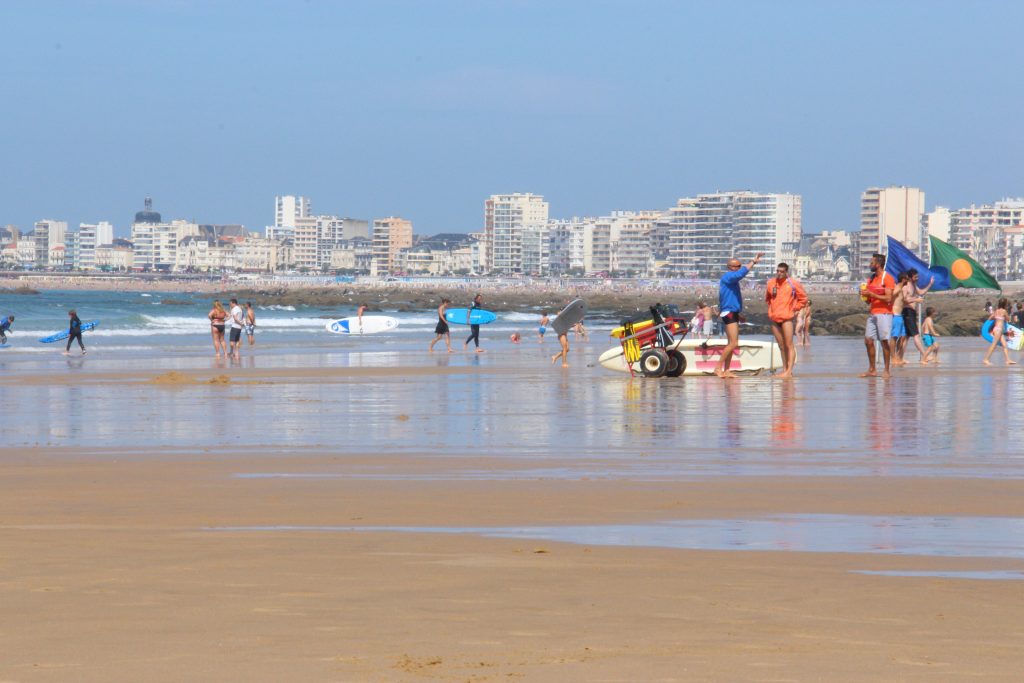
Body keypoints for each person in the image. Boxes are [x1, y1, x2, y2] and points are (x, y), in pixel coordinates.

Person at [714, 252, 763, 378]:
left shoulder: (732, 280)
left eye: (739, 266)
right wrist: (753, 262)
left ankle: (727, 370)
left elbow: (726, 298)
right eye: (736, 266)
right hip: (729, 312)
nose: (738, 268)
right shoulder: (728, 276)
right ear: (729, 267)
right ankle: (717, 368)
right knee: (733, 343)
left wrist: (738, 313)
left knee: (731, 343)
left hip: (732, 311)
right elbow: (741, 274)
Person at [764, 262, 808, 377]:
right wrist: (772, 309)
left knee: (789, 344)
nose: (779, 273)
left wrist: (795, 308)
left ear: (786, 272)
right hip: (774, 318)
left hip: (787, 318)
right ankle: (784, 369)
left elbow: (803, 298)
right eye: (778, 271)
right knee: (781, 345)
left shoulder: (793, 283)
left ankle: (789, 371)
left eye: (782, 271)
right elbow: (768, 298)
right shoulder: (771, 283)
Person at [861, 253, 896, 379]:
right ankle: (872, 369)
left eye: (872, 263)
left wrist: (872, 294)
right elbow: (869, 301)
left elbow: (889, 298)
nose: (870, 265)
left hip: (885, 313)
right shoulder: (871, 279)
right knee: (868, 340)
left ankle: (886, 370)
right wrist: (865, 296)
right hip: (873, 313)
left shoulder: (887, 278)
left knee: (884, 341)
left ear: (878, 264)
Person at [901, 268, 935, 363]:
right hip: (907, 312)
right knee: (916, 335)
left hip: (911, 312)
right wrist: (915, 300)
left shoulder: (914, 285)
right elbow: (903, 300)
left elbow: (921, 292)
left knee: (906, 337)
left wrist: (930, 284)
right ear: (910, 277)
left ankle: (900, 357)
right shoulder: (906, 286)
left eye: (918, 276)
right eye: (915, 277)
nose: (917, 278)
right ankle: (924, 355)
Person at [983, 297, 1016, 366]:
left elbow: (989, 319)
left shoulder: (996, 311)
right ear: (1005, 304)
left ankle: (1008, 360)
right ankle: (986, 359)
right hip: (999, 330)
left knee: (1005, 345)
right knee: (994, 345)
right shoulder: (1004, 311)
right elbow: (1008, 319)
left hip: (996, 329)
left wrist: (997, 318)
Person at [889, 272, 908, 365]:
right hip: (895, 315)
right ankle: (893, 358)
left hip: (900, 316)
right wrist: (891, 309)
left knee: (903, 337)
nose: (908, 281)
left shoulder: (901, 289)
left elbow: (901, 302)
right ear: (903, 279)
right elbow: (890, 296)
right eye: (907, 279)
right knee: (894, 337)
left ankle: (897, 356)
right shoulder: (898, 288)